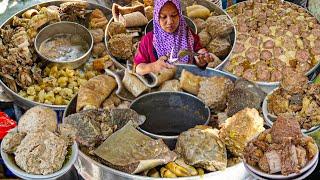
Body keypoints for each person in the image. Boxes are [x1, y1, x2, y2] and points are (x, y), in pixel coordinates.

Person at [133, 0, 215, 75]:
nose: (170, 22)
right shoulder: (148, 40)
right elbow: (138, 68)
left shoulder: (188, 35)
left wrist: (201, 59)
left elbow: (198, 53)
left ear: (179, 14)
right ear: (156, 17)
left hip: (186, 82)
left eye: (174, 15)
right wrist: (153, 67)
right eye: (163, 17)